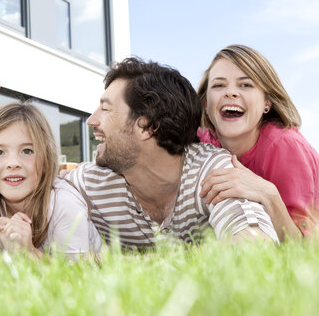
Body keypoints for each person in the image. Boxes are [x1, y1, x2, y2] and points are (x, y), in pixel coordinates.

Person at [65, 57, 279, 250]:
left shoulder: (213, 174)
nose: (91, 120)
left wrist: (141, 265)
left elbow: (256, 244)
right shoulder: (90, 182)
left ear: (147, 126)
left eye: (105, 108)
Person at [197, 44, 319, 241]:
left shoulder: (286, 147)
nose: (230, 93)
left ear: (267, 103)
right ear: (205, 102)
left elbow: (300, 245)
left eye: (245, 84)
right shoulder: (202, 142)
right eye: (219, 85)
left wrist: (268, 193)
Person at [0, 102, 101, 258]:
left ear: (46, 159)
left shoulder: (63, 202)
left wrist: (28, 251)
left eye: (27, 151)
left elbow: (74, 274)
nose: (13, 163)